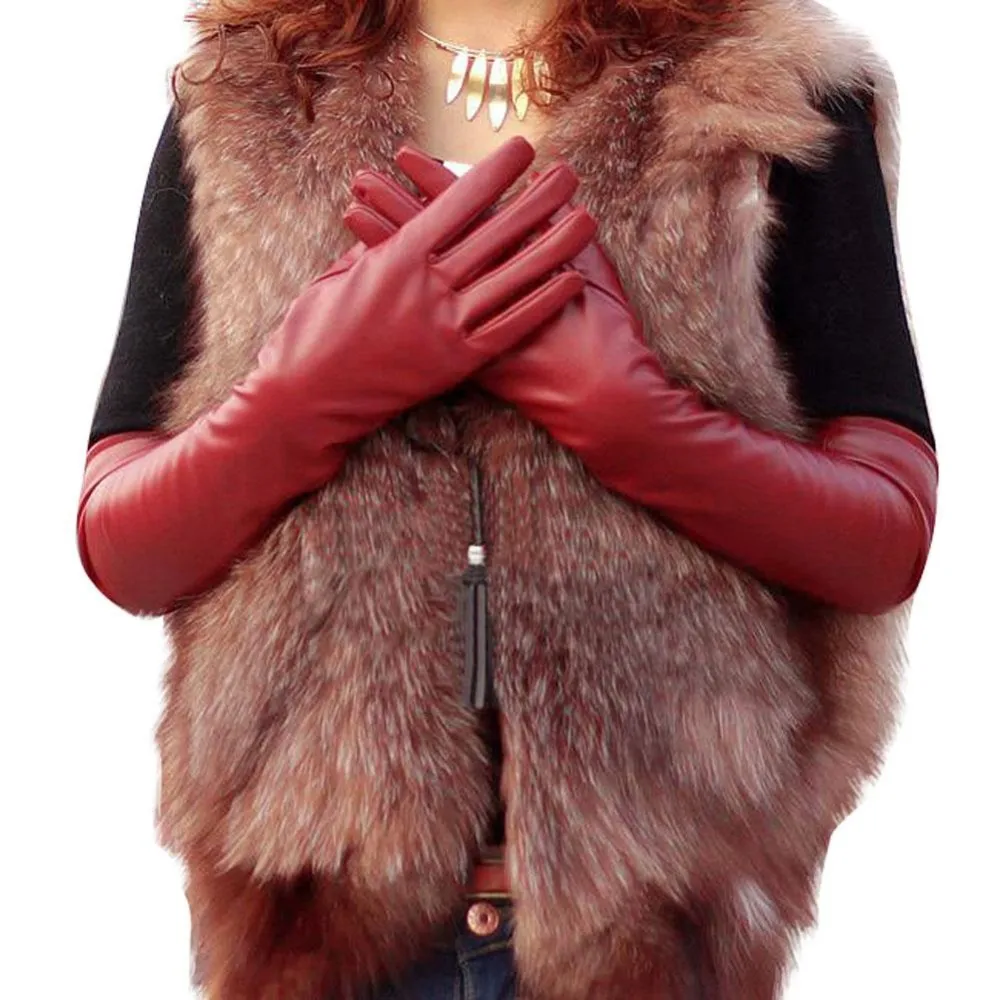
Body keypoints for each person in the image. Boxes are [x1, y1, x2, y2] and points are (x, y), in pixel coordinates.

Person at [75, 1, 938, 998]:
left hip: (655, 922)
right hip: (317, 924)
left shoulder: (767, 90)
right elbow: (124, 545)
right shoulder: (249, 94)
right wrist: (308, 393)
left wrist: (637, 422)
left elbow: (885, 535)